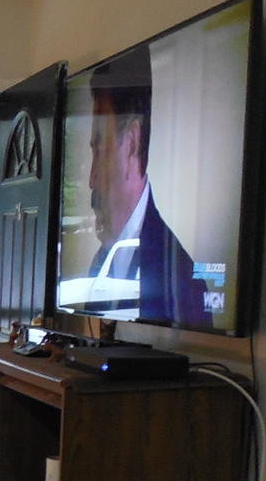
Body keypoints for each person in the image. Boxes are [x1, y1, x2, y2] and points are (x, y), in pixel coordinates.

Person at [84, 48, 212, 329]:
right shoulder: (103, 259)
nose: (92, 180)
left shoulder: (181, 279)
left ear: (132, 140)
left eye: (100, 149)